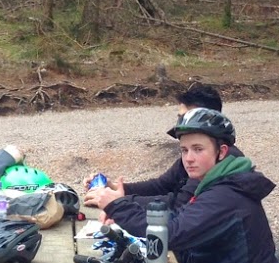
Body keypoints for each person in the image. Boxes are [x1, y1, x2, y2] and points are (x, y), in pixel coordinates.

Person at [98, 107, 279, 263]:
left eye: (198, 149)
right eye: (184, 150)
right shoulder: (218, 182)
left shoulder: (226, 195)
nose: (188, 158)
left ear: (221, 152)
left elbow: (170, 233)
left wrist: (117, 205)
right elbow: (175, 210)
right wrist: (124, 204)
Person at [84, 83, 239, 203]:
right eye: (179, 117)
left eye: (186, 117)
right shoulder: (195, 155)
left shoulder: (220, 162)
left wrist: (119, 202)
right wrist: (114, 187)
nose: (180, 124)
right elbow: (161, 186)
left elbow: (179, 205)